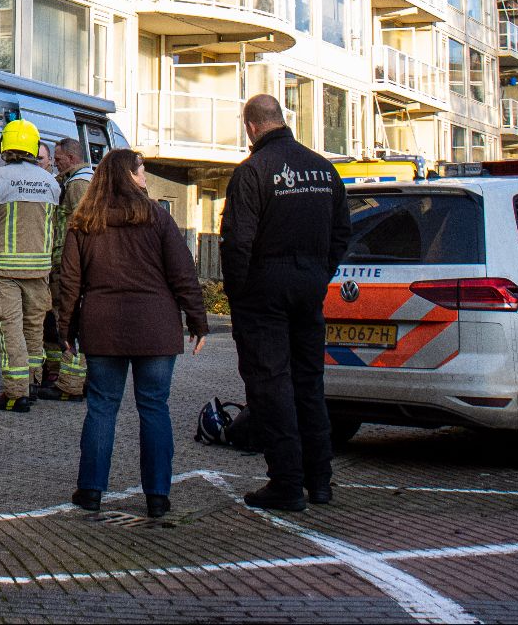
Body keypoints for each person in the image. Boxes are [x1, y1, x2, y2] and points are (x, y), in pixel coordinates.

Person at [59, 150, 207, 520]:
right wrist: (197, 320)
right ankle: (158, 495)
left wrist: (65, 329)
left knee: (102, 407)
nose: (145, 179)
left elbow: (69, 282)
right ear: (129, 176)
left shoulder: (84, 221)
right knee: (154, 407)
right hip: (155, 327)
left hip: (102, 326)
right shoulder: (157, 217)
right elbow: (182, 272)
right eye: (141, 173)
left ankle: (91, 490)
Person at [220, 94, 351, 512]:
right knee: (309, 384)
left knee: (270, 385)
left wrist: (239, 294)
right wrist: (319, 275)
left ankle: (287, 483)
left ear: (252, 127)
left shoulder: (253, 172)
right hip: (309, 289)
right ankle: (321, 479)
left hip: (264, 295)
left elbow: (237, 243)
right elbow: (342, 233)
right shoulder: (324, 170)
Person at [0, 119, 62, 412]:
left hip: (5, 271)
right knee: (33, 329)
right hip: (40, 271)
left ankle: (16, 394)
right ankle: (32, 381)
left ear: (5, 145)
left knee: (11, 330)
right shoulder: (51, 182)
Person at [39, 137, 94, 402]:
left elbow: (79, 229)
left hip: (67, 264)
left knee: (67, 319)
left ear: (71, 159)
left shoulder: (77, 185)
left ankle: (71, 384)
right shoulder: (85, 180)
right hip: (70, 263)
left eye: (58, 160)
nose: (55, 165)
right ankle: (73, 379)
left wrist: (71, 265)